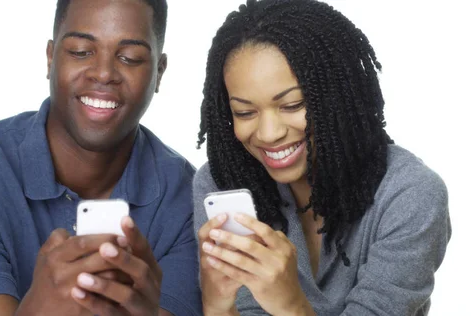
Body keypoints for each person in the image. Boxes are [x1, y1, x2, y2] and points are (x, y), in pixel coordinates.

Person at [0, 0, 202, 315]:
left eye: (130, 58)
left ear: (159, 73)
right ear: (51, 58)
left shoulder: (190, 202)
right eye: (80, 51)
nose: (104, 73)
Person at [193, 0, 451, 315]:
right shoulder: (224, 183)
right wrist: (216, 305)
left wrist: (290, 305)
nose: (269, 133)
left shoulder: (410, 196)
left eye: (292, 105)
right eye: (244, 112)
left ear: (339, 96)